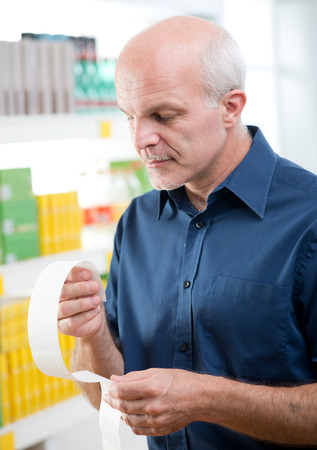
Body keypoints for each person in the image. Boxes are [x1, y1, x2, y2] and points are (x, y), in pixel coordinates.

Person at [58, 15, 317, 450]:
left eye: (163, 115)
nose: (141, 139)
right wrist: (92, 333)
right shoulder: (137, 223)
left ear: (230, 107)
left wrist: (206, 399)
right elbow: (108, 396)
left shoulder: (308, 218)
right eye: (130, 116)